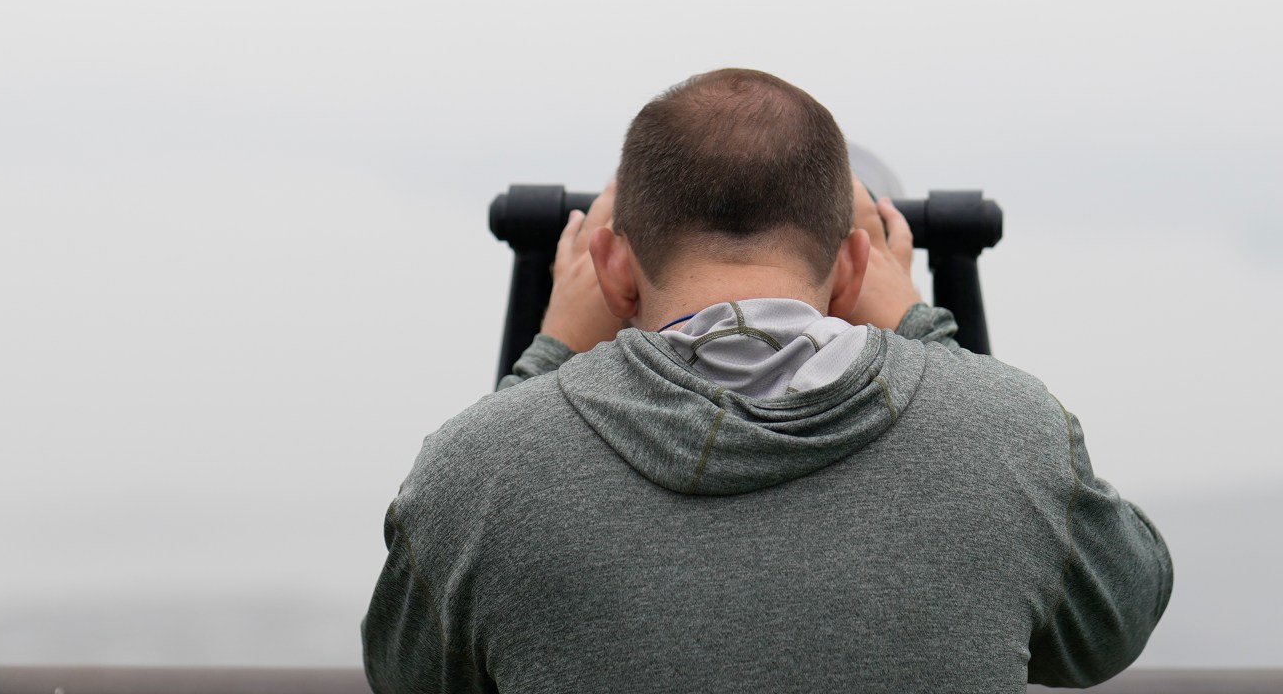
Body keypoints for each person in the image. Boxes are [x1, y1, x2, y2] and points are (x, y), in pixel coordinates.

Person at [362, 68, 1173, 692]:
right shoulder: (1012, 439)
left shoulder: (479, 475)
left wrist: (548, 360)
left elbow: (412, 674)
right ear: (856, 265)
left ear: (611, 265)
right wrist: (925, 335)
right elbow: (1116, 619)